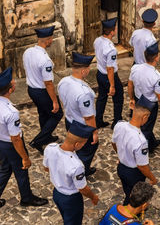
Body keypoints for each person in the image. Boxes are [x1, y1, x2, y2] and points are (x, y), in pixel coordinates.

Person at [0, 67, 48, 208]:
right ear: (10, 89)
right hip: (10, 144)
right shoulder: (11, 112)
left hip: (1, 142)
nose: (14, 83)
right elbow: (15, 139)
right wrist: (25, 158)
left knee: (5, 169)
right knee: (21, 169)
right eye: (13, 82)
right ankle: (27, 198)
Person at [43, 121, 98, 224]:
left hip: (57, 193)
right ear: (77, 144)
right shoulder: (76, 165)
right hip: (71, 199)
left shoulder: (50, 148)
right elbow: (83, 189)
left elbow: (46, 168)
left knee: (67, 218)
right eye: (83, 143)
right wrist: (93, 197)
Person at [23, 25, 63, 154]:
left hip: (31, 89)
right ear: (48, 39)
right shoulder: (45, 60)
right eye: (51, 39)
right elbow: (48, 83)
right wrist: (55, 101)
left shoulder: (28, 51)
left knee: (43, 113)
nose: (52, 41)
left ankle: (46, 136)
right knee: (57, 114)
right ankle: (38, 141)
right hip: (42, 91)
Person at [128, 43, 160, 153]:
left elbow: (130, 85)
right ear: (157, 57)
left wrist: (131, 99)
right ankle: (141, 148)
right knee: (146, 128)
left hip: (139, 99)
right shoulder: (157, 76)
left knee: (142, 124)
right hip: (150, 105)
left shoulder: (135, 68)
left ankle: (152, 142)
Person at [58, 53, 98, 177]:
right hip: (82, 126)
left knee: (74, 148)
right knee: (87, 150)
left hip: (69, 120)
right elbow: (89, 117)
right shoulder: (84, 92)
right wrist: (94, 133)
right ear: (84, 71)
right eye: (88, 69)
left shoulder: (63, 81)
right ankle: (80, 172)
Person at [112, 96, 157, 206]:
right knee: (134, 199)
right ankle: (129, 215)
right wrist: (152, 178)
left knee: (128, 192)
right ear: (145, 117)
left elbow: (113, 143)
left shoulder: (119, 125)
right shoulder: (141, 140)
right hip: (134, 174)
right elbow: (142, 166)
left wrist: (121, 155)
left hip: (121, 168)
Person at [94, 18, 124, 129]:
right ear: (112, 31)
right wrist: (112, 85)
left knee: (102, 97)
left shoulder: (97, 40)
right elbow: (110, 68)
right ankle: (117, 121)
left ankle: (98, 120)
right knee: (118, 98)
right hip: (109, 76)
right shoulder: (111, 49)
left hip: (100, 74)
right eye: (115, 29)